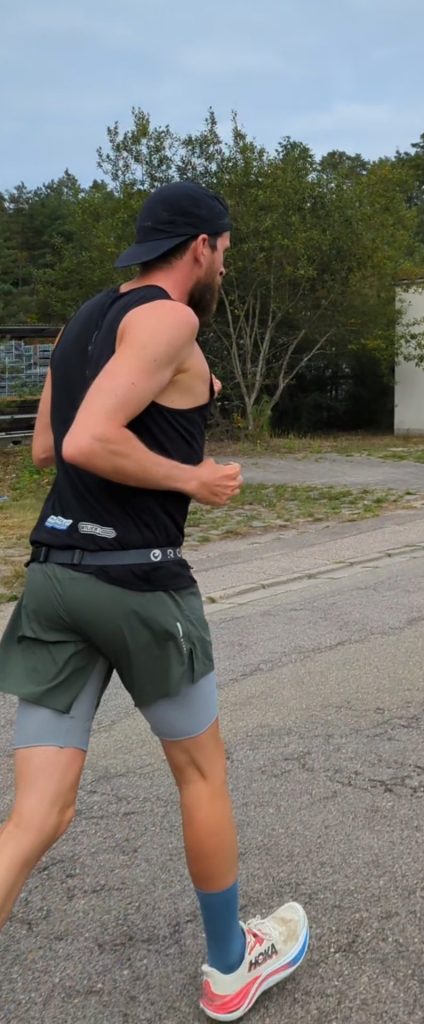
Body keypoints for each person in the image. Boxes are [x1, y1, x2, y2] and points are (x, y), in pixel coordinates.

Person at [0, 181, 309, 1021]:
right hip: (137, 582)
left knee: (35, 816)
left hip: (55, 578)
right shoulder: (171, 320)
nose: (224, 269)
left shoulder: (83, 321)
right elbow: (87, 440)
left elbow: (43, 448)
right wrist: (191, 477)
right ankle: (229, 968)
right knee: (202, 773)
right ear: (200, 247)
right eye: (225, 253)